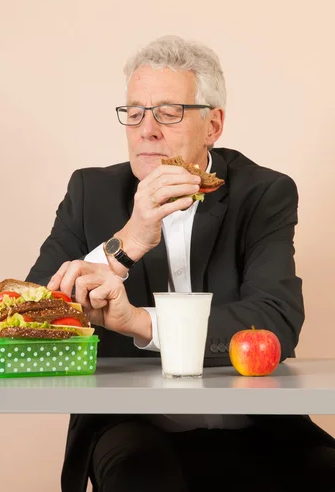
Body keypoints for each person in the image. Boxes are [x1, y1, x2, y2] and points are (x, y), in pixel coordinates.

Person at [26, 35, 335, 491]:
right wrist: (129, 241)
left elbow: (275, 319)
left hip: (257, 425)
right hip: (134, 429)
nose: (146, 129)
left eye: (168, 113)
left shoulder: (263, 193)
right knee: (141, 474)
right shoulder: (89, 192)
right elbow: (33, 316)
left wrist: (139, 322)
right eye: (134, 113)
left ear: (213, 126)